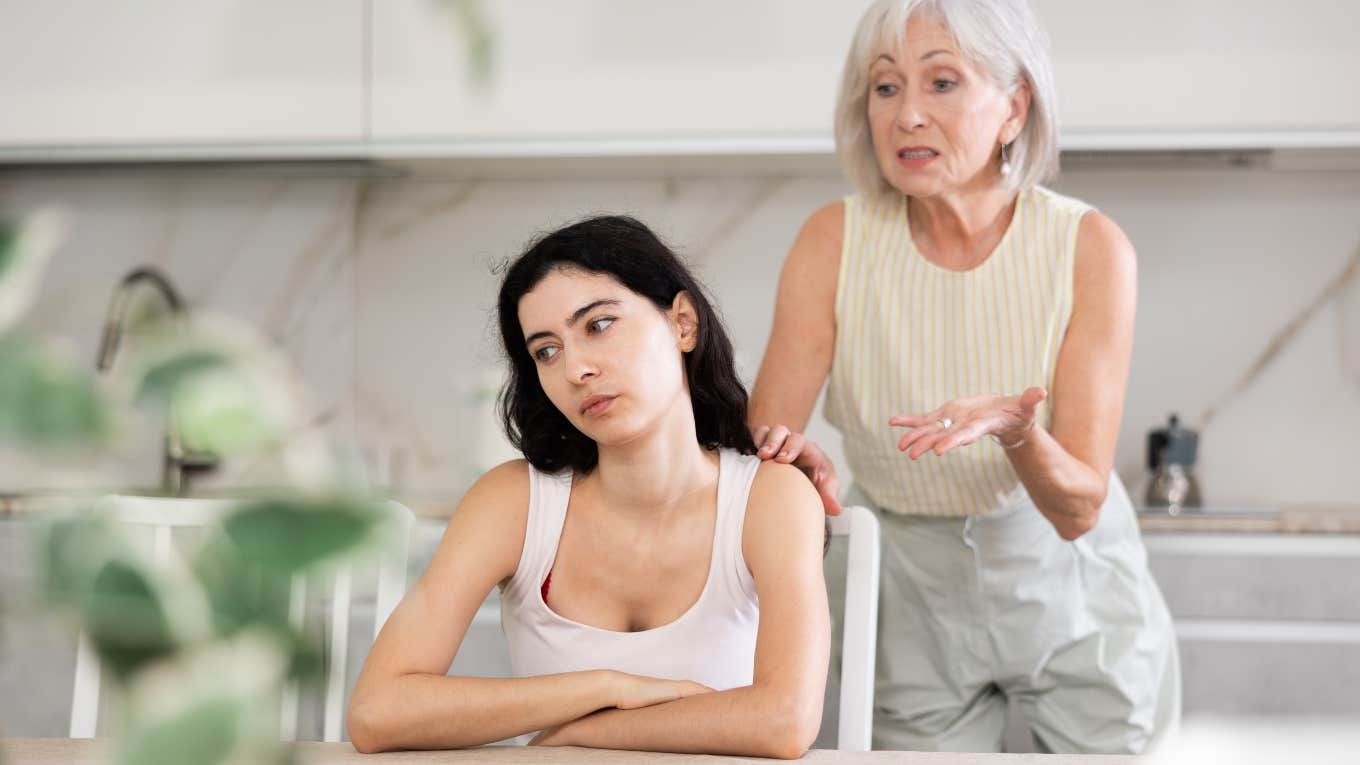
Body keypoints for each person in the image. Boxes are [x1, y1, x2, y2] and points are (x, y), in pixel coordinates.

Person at [748, 0, 1179, 754]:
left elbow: (1078, 505)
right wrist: (797, 475)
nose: (908, 113)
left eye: (942, 82)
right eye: (885, 88)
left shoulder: (1088, 248)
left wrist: (1019, 433)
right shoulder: (832, 241)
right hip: (907, 593)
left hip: (1069, 588)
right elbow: (757, 461)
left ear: (1014, 107)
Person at [347, 215, 829, 758]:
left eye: (598, 325)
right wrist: (607, 688)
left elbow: (785, 722)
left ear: (683, 324)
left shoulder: (771, 497)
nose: (575, 368)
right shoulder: (514, 503)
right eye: (546, 351)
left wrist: (584, 732)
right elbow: (376, 712)